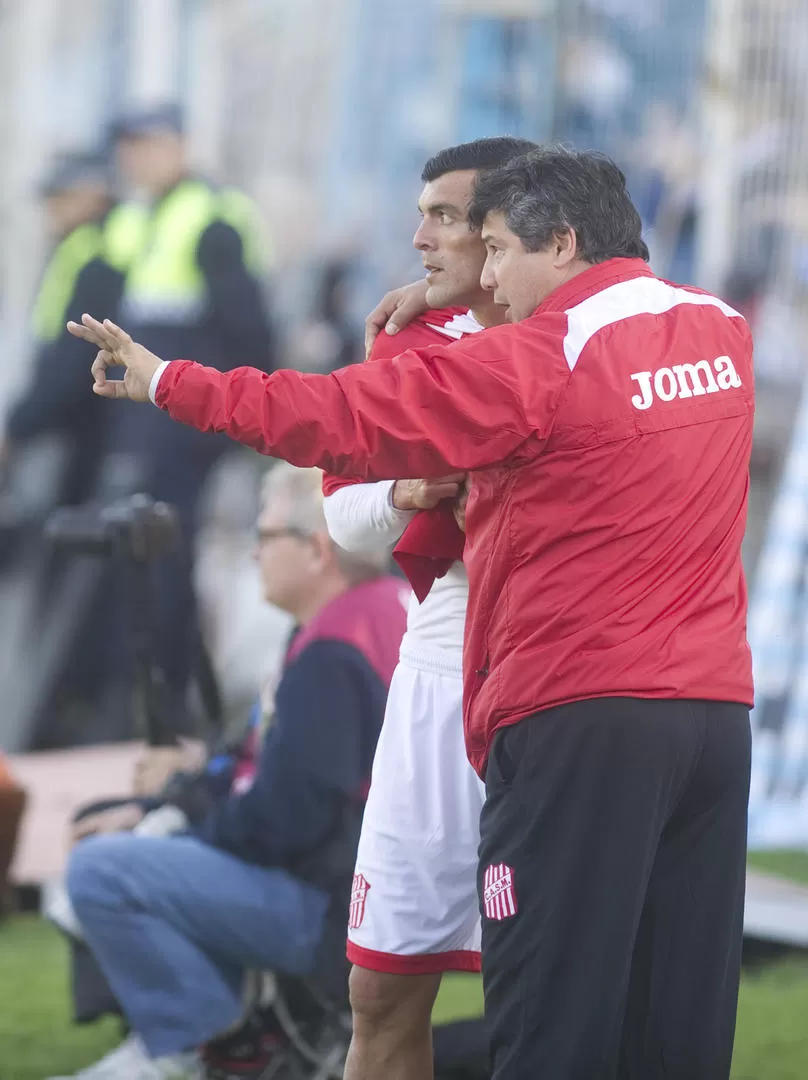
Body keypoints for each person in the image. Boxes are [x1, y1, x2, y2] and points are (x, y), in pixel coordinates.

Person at [70, 145, 755, 1080]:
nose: (436, 244)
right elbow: (349, 504)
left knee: (553, 1011)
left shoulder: (537, 353)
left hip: (559, 696)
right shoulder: (718, 326)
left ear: (553, 242)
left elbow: (332, 420)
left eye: (487, 239)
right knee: (669, 1010)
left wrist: (169, 382)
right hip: (707, 705)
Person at [53, 464, 407, 1080]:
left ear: (317, 549)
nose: (254, 551)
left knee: (100, 870)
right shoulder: (374, 614)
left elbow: (287, 818)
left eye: (266, 535)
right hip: (363, 897)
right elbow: (267, 771)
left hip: (333, 912)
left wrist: (174, 825)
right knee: (122, 834)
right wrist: (171, 802)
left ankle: (216, 1049)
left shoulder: (334, 650)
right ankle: (241, 1034)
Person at [321, 137, 536, 1080]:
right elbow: (341, 516)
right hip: (441, 660)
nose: (420, 238)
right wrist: (410, 489)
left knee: (552, 979)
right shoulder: (404, 340)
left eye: (445, 216)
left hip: (559, 666)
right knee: (381, 987)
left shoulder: (583, 332)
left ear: (511, 232)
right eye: (424, 214)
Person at [98, 102, 274, 724]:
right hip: (143, 421)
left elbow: (251, 333)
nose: (135, 158)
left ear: (178, 146)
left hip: (181, 426)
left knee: (167, 557)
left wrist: (221, 427)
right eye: (129, 146)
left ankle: (164, 701)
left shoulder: (213, 221)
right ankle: (137, 693)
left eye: (147, 144)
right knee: (136, 555)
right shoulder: (138, 216)